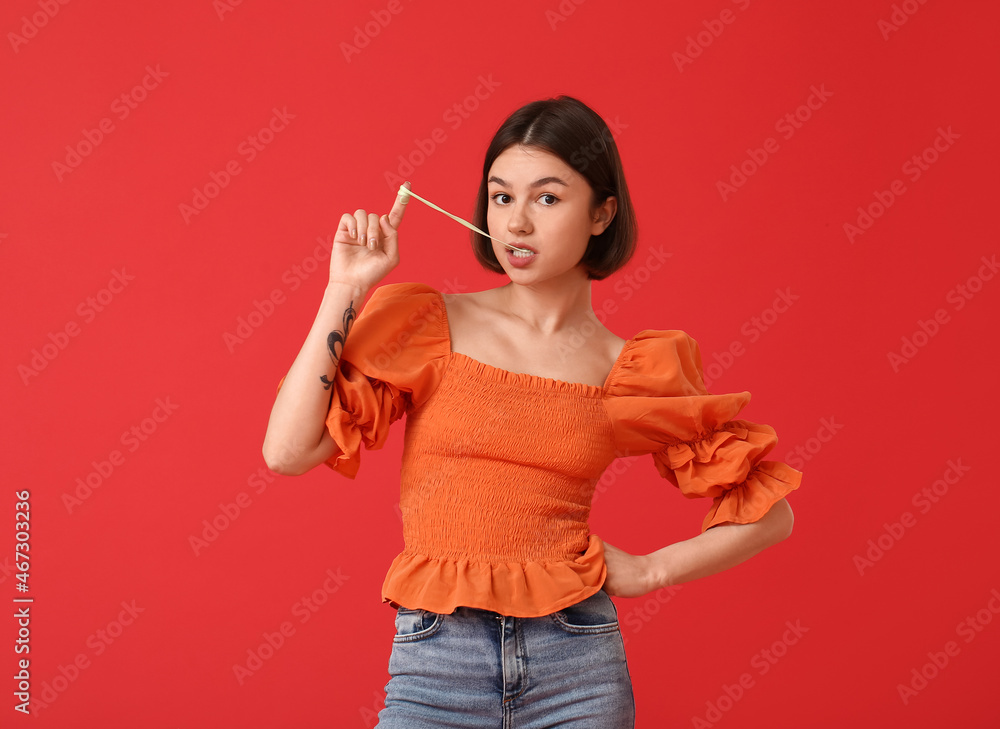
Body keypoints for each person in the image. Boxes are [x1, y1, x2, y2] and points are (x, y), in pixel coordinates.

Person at [262, 95, 802, 728]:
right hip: (438, 665)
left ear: (602, 213)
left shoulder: (630, 368)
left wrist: (654, 570)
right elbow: (287, 452)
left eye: (547, 198)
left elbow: (772, 515)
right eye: (500, 196)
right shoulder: (430, 323)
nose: (516, 223)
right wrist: (346, 288)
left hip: (577, 667)